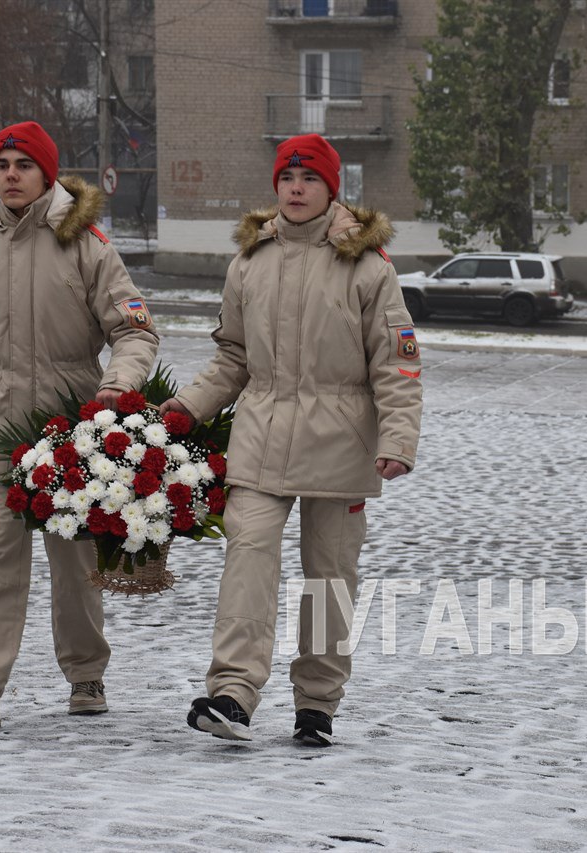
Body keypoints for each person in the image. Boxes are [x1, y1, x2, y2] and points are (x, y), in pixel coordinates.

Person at [160, 133, 422, 747]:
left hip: (342, 441)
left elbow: (397, 362)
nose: (296, 188)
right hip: (261, 434)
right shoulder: (249, 261)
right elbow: (232, 357)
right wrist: (189, 407)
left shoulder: (368, 264)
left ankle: (317, 704)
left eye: (309, 179)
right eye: (286, 178)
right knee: (247, 562)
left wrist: (399, 436)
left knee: (329, 579)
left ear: (332, 189)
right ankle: (233, 694)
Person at [0, 121, 159, 728]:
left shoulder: (88, 244)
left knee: (76, 567)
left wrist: (114, 387)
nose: (10, 175)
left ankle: (86, 676)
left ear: (47, 174)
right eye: (2, 164)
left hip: (70, 432)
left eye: (24, 164)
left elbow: (135, 330)